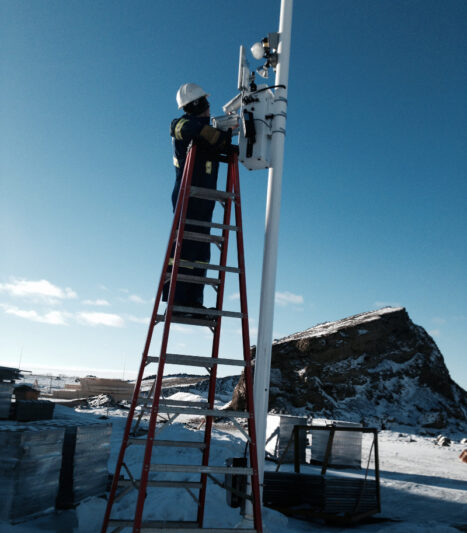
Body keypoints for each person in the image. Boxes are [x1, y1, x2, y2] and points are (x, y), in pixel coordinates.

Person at [163, 83, 235, 315]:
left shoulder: (205, 133)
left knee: (201, 252)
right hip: (188, 195)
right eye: (205, 103)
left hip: (204, 198)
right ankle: (176, 301)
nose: (209, 107)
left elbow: (218, 142)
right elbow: (187, 128)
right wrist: (216, 132)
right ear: (197, 104)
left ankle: (193, 302)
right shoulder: (182, 125)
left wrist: (227, 133)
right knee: (185, 248)